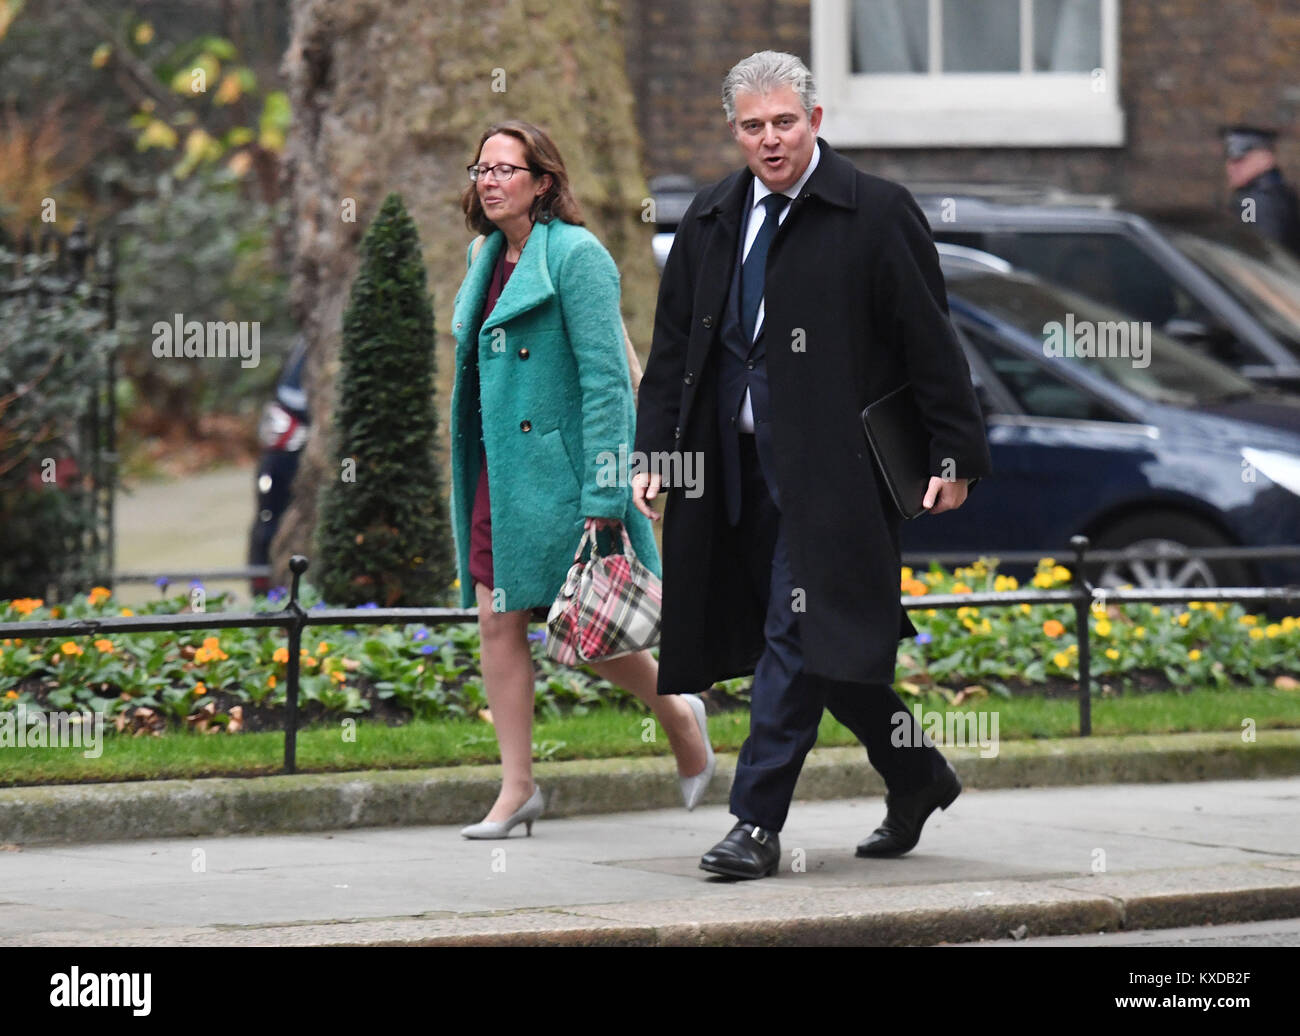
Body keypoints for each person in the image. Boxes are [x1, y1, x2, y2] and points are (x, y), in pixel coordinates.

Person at [632, 52, 991, 880]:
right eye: (753, 126)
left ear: (817, 121)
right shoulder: (713, 216)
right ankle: (918, 773)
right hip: (731, 470)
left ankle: (754, 823)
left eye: (785, 122)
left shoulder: (876, 213)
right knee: (818, 645)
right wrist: (655, 454)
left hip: (835, 477)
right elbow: (677, 352)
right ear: (734, 131)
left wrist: (956, 452)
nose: (770, 139)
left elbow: (930, 344)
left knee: (796, 634)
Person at [449, 120, 715, 838]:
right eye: (482, 169)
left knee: (587, 627)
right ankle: (517, 788)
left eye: (507, 169)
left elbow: (607, 384)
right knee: (498, 623)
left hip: (566, 479)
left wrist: (605, 492)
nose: (491, 180)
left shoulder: (578, 257)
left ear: (543, 183)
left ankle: (678, 713)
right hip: (499, 477)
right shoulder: (482, 256)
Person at [1222, 124, 1300, 259]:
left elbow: (1255, 253)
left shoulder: (1253, 199)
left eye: (1240, 160)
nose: (1231, 167)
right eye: (1229, 160)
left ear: (1266, 159)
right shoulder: (1276, 192)